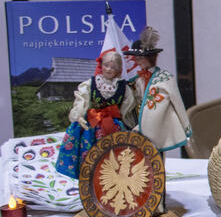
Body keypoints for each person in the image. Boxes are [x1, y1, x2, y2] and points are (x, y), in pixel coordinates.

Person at [54, 50, 137, 179]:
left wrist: (127, 123)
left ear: (118, 70)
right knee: (89, 149)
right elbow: (82, 100)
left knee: (115, 153)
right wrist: (79, 116)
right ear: (101, 65)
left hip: (113, 125)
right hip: (93, 122)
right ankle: (88, 176)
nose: (108, 69)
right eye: (106, 65)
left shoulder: (123, 87)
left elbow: (127, 107)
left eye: (113, 67)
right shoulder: (91, 83)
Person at [124, 26, 191, 153]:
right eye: (135, 58)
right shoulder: (138, 80)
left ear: (149, 57)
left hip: (158, 124)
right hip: (142, 125)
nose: (136, 61)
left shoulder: (165, 78)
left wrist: (185, 125)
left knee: (156, 154)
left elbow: (177, 101)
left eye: (140, 57)